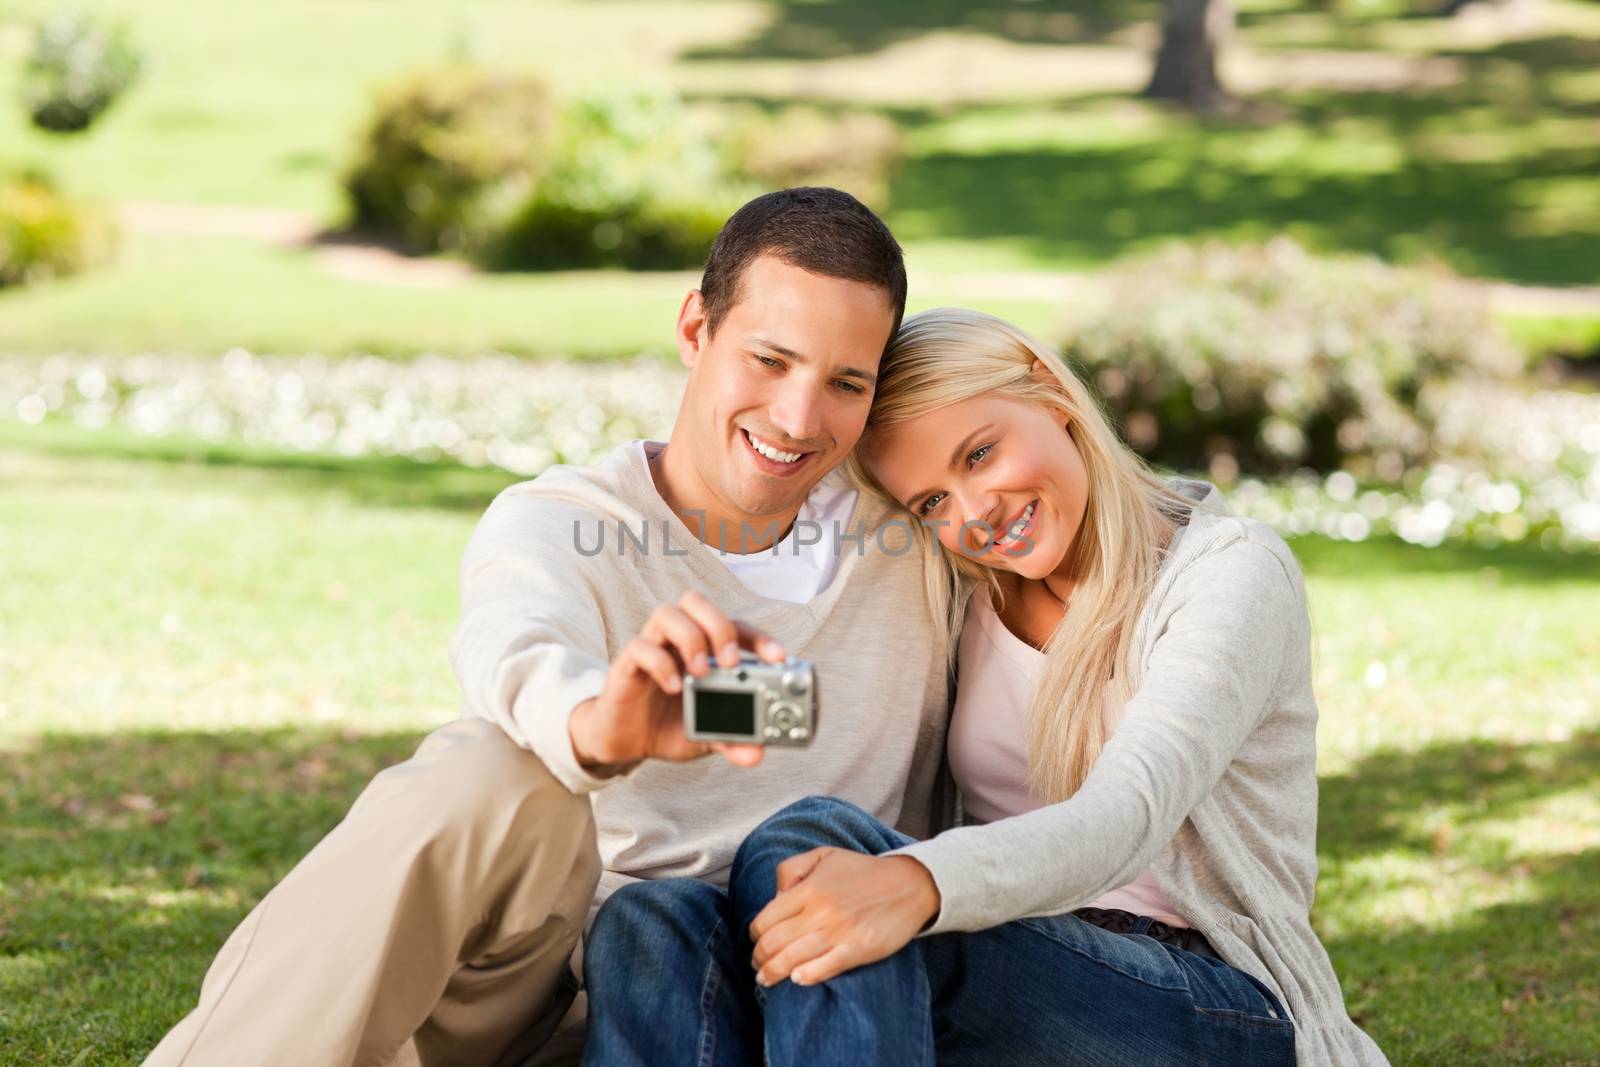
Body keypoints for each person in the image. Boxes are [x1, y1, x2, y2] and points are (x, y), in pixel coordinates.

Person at [141, 187, 956, 1067]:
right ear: (695, 330)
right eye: (768, 359)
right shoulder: (565, 521)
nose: (799, 418)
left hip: (815, 1001)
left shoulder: (921, 542)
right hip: (557, 997)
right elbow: (513, 645)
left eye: (846, 383)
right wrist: (602, 726)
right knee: (489, 768)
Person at [580, 309, 1390, 1066]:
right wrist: (660, 712)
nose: (975, 511)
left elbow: (1128, 813)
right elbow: (828, 701)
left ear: (1050, 390)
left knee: (810, 846)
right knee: (652, 923)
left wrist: (919, 883)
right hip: (1001, 964)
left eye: (979, 454)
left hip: (1208, 1001)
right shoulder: (964, 587)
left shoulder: (1227, 574)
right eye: (932, 500)